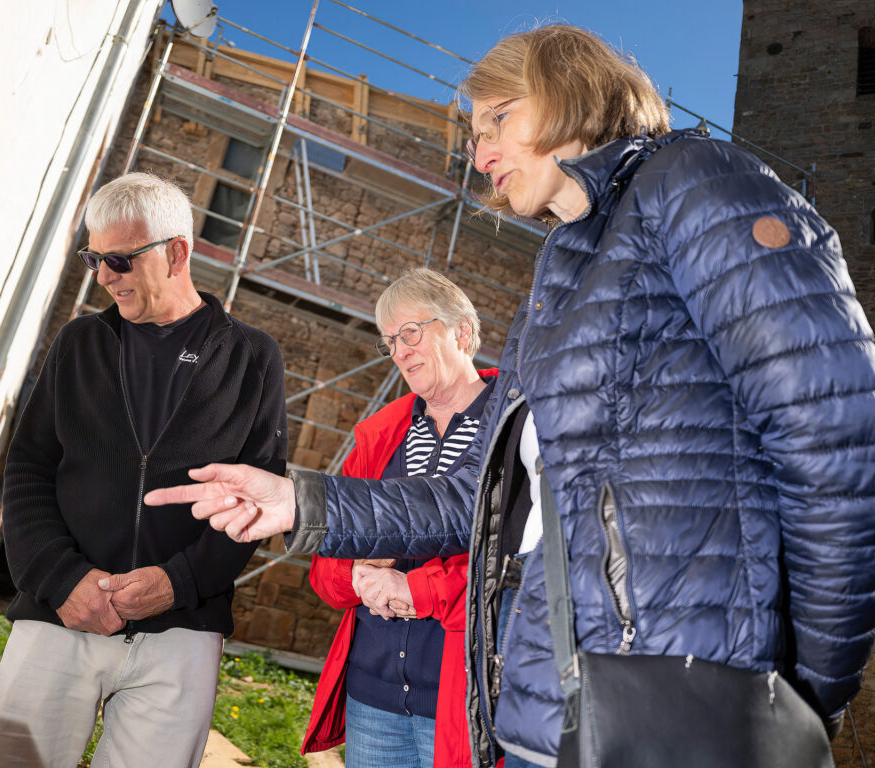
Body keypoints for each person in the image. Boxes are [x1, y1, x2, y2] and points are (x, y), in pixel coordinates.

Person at [147, 24, 875, 768]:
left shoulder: (696, 184)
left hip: (678, 705)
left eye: (497, 118)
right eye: (472, 133)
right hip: (544, 715)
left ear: (574, 93)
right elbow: (480, 500)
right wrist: (300, 504)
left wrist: (805, 686)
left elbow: (836, 434)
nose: (479, 151)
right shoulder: (559, 274)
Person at [0, 172, 287, 768]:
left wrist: (181, 583)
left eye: (118, 260)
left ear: (177, 253)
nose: (102, 277)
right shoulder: (78, 343)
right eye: (94, 258)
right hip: (59, 615)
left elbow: (255, 498)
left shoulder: (253, 357)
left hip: (181, 633)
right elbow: (28, 469)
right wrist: (61, 578)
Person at [303, 268, 498, 768]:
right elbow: (325, 569)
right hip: (371, 702)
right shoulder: (379, 435)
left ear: (463, 333)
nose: (400, 350)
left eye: (411, 333)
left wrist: (421, 589)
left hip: (464, 703)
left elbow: (516, 559)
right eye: (390, 341)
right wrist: (359, 575)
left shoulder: (511, 429)